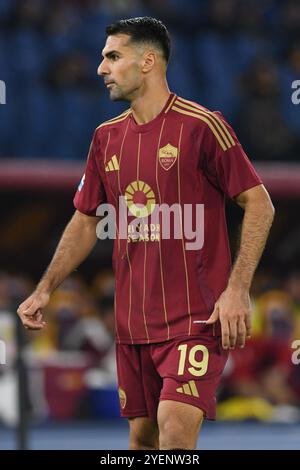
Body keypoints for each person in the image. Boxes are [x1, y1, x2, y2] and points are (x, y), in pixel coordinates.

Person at [17, 17, 275, 450]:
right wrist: (46, 288)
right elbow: (86, 220)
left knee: (174, 428)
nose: (101, 68)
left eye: (112, 56)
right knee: (142, 439)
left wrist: (237, 289)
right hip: (132, 324)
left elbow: (260, 203)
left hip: (198, 318)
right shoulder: (105, 138)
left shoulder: (202, 126)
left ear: (148, 61)